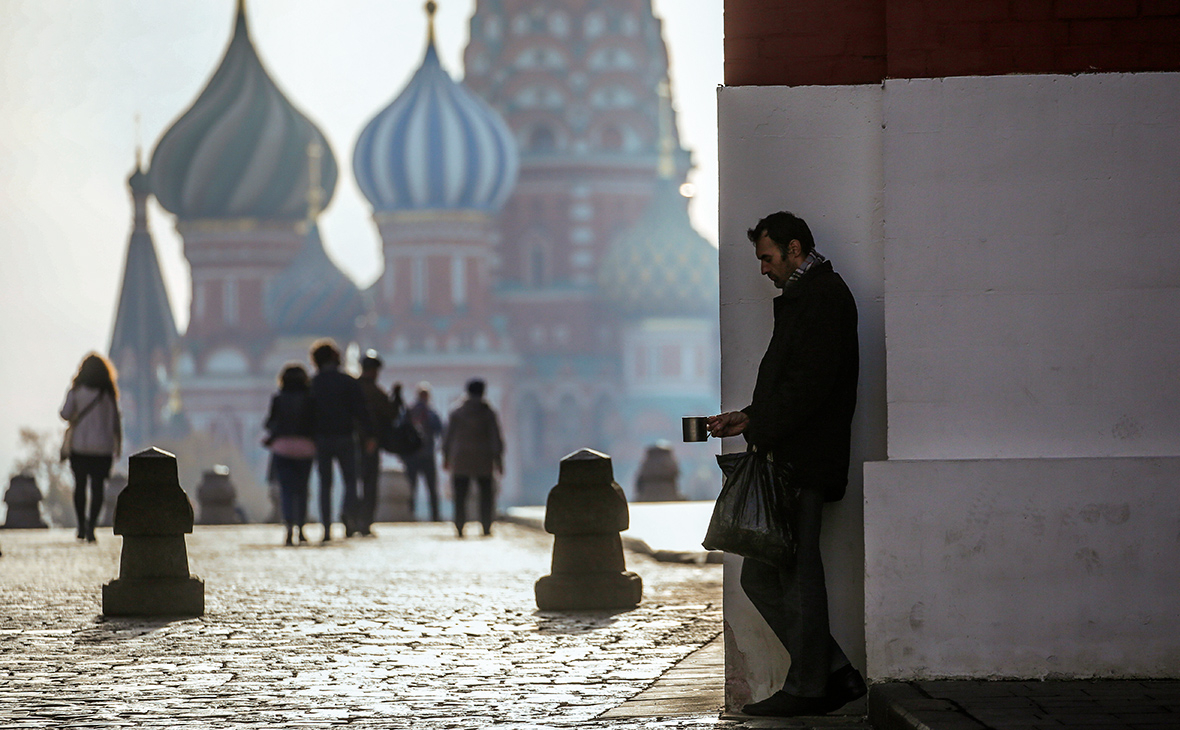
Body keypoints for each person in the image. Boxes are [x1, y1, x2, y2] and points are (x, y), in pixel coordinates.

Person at [706, 211, 865, 717]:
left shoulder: (823, 297)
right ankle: (832, 673)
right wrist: (747, 418)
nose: (762, 269)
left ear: (794, 250)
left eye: (767, 257)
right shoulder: (808, 297)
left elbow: (809, 388)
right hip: (789, 456)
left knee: (794, 575)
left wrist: (758, 425)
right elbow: (793, 386)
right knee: (764, 576)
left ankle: (809, 685)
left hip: (801, 461)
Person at [308, 339, 373, 542]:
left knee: (325, 484)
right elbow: (361, 411)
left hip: (321, 439)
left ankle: (326, 526)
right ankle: (348, 515)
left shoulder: (313, 383)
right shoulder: (347, 381)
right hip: (345, 436)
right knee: (350, 481)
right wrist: (369, 435)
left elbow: (306, 413)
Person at [59, 353, 122, 543]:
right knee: (97, 488)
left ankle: (81, 525)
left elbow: (65, 414)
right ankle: (91, 527)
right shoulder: (108, 394)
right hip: (102, 448)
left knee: (80, 486)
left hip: (80, 446)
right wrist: (116, 445)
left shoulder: (77, 391)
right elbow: (115, 423)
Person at [441, 378, 503, 537]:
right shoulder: (488, 413)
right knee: (486, 496)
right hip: (484, 459)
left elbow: (448, 438)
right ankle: (486, 526)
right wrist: (498, 460)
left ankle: (460, 526)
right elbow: (495, 438)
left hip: (460, 459)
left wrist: (446, 458)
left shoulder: (457, 411)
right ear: (483, 392)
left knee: (460, 496)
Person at [263, 363, 316, 546]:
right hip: (305, 448)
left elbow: (270, 423)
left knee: (286, 491)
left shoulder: (278, 399)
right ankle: (301, 529)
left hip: (283, 448)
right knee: (302, 490)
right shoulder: (310, 399)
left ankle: (288, 528)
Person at [356, 351, 396, 537]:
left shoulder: (353, 388)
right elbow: (390, 415)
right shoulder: (376, 392)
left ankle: (351, 517)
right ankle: (365, 521)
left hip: (351, 442)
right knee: (369, 484)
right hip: (370, 444)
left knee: (351, 482)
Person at [403, 382, 445, 522]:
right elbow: (440, 431)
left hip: (411, 456)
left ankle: (410, 514)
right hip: (427, 455)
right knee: (431, 488)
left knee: (411, 487)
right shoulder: (431, 413)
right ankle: (435, 515)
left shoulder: (409, 412)